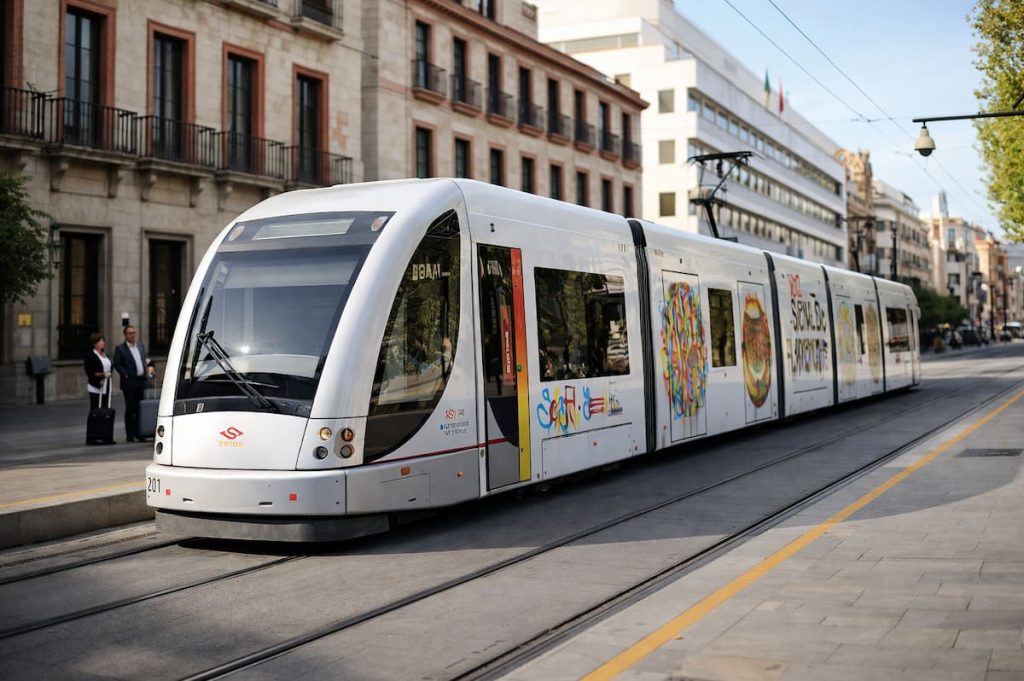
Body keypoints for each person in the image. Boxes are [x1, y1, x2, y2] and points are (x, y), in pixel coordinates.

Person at [113, 325, 149, 442]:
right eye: (130, 333)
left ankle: (140, 433)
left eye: (134, 333)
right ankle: (130, 435)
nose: (132, 335)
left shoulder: (140, 346)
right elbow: (117, 364)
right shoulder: (120, 349)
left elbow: (144, 360)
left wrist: (147, 370)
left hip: (141, 381)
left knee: (140, 409)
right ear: (125, 335)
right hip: (129, 382)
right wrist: (125, 374)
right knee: (130, 409)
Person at [83, 332, 113, 442]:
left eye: (103, 341)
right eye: (101, 341)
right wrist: (103, 374)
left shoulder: (105, 355)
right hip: (95, 387)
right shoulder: (90, 355)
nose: (103, 343)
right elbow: (90, 372)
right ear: (95, 343)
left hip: (106, 387)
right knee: (95, 411)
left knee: (104, 411)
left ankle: (103, 434)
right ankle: (92, 436)